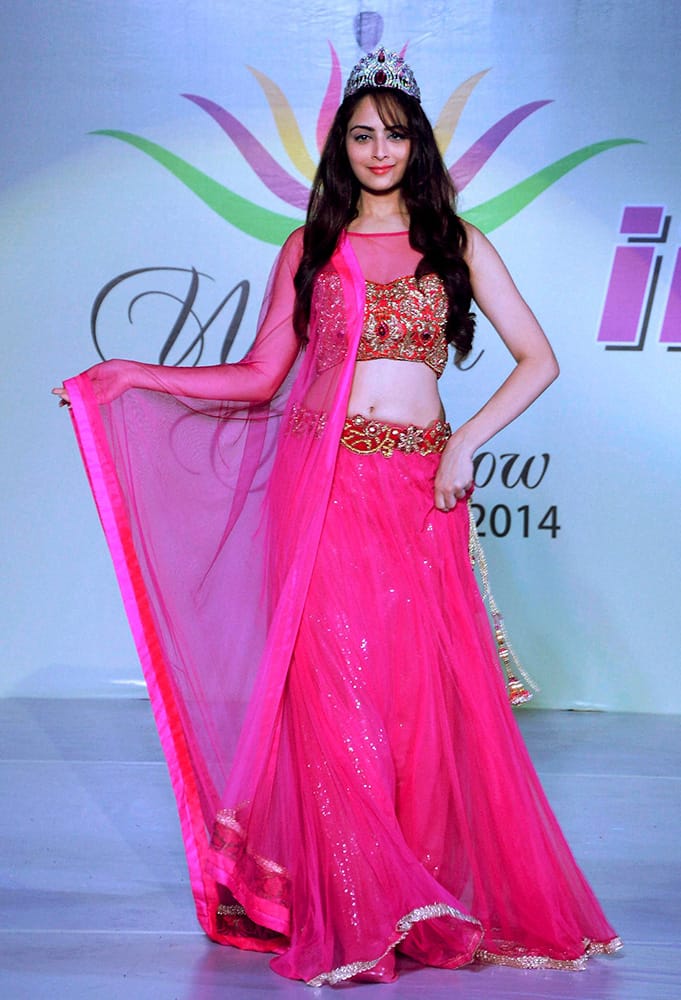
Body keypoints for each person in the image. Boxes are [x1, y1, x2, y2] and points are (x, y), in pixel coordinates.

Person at [54, 49, 621, 986]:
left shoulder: (456, 242)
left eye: (394, 133)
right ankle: (356, 904)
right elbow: (255, 378)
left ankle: (421, 893)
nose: (379, 149)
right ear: (341, 148)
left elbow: (538, 358)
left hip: (419, 494)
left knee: (418, 704)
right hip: (321, 490)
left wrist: (464, 441)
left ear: (416, 144)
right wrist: (129, 374)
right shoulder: (310, 248)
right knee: (334, 701)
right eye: (361, 134)